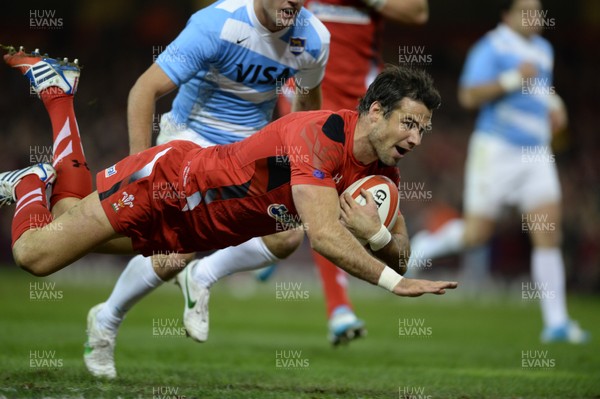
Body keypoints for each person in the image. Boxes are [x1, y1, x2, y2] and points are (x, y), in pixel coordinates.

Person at [0, 65, 457, 371]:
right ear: (376, 112)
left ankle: (57, 102)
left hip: (187, 234)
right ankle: (27, 181)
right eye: (409, 123)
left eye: (423, 129)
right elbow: (323, 235)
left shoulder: (384, 171)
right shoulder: (319, 136)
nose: (416, 138)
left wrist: (377, 235)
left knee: (63, 212)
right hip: (164, 190)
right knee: (35, 256)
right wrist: (397, 284)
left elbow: (398, 253)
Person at [408, 0, 588, 343]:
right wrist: (510, 78)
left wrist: (556, 105)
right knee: (477, 234)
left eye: (537, 10)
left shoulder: (543, 49)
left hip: (536, 153)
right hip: (496, 150)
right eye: (526, 10)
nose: (535, 17)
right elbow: (468, 95)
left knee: (548, 233)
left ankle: (557, 323)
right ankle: (427, 246)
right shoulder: (492, 47)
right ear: (507, 15)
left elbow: (541, 90)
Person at [273, 0, 431, 344]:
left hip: (361, 94)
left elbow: (418, 11)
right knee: (320, 195)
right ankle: (338, 306)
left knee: (339, 200)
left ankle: (280, 232)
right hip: (309, 88)